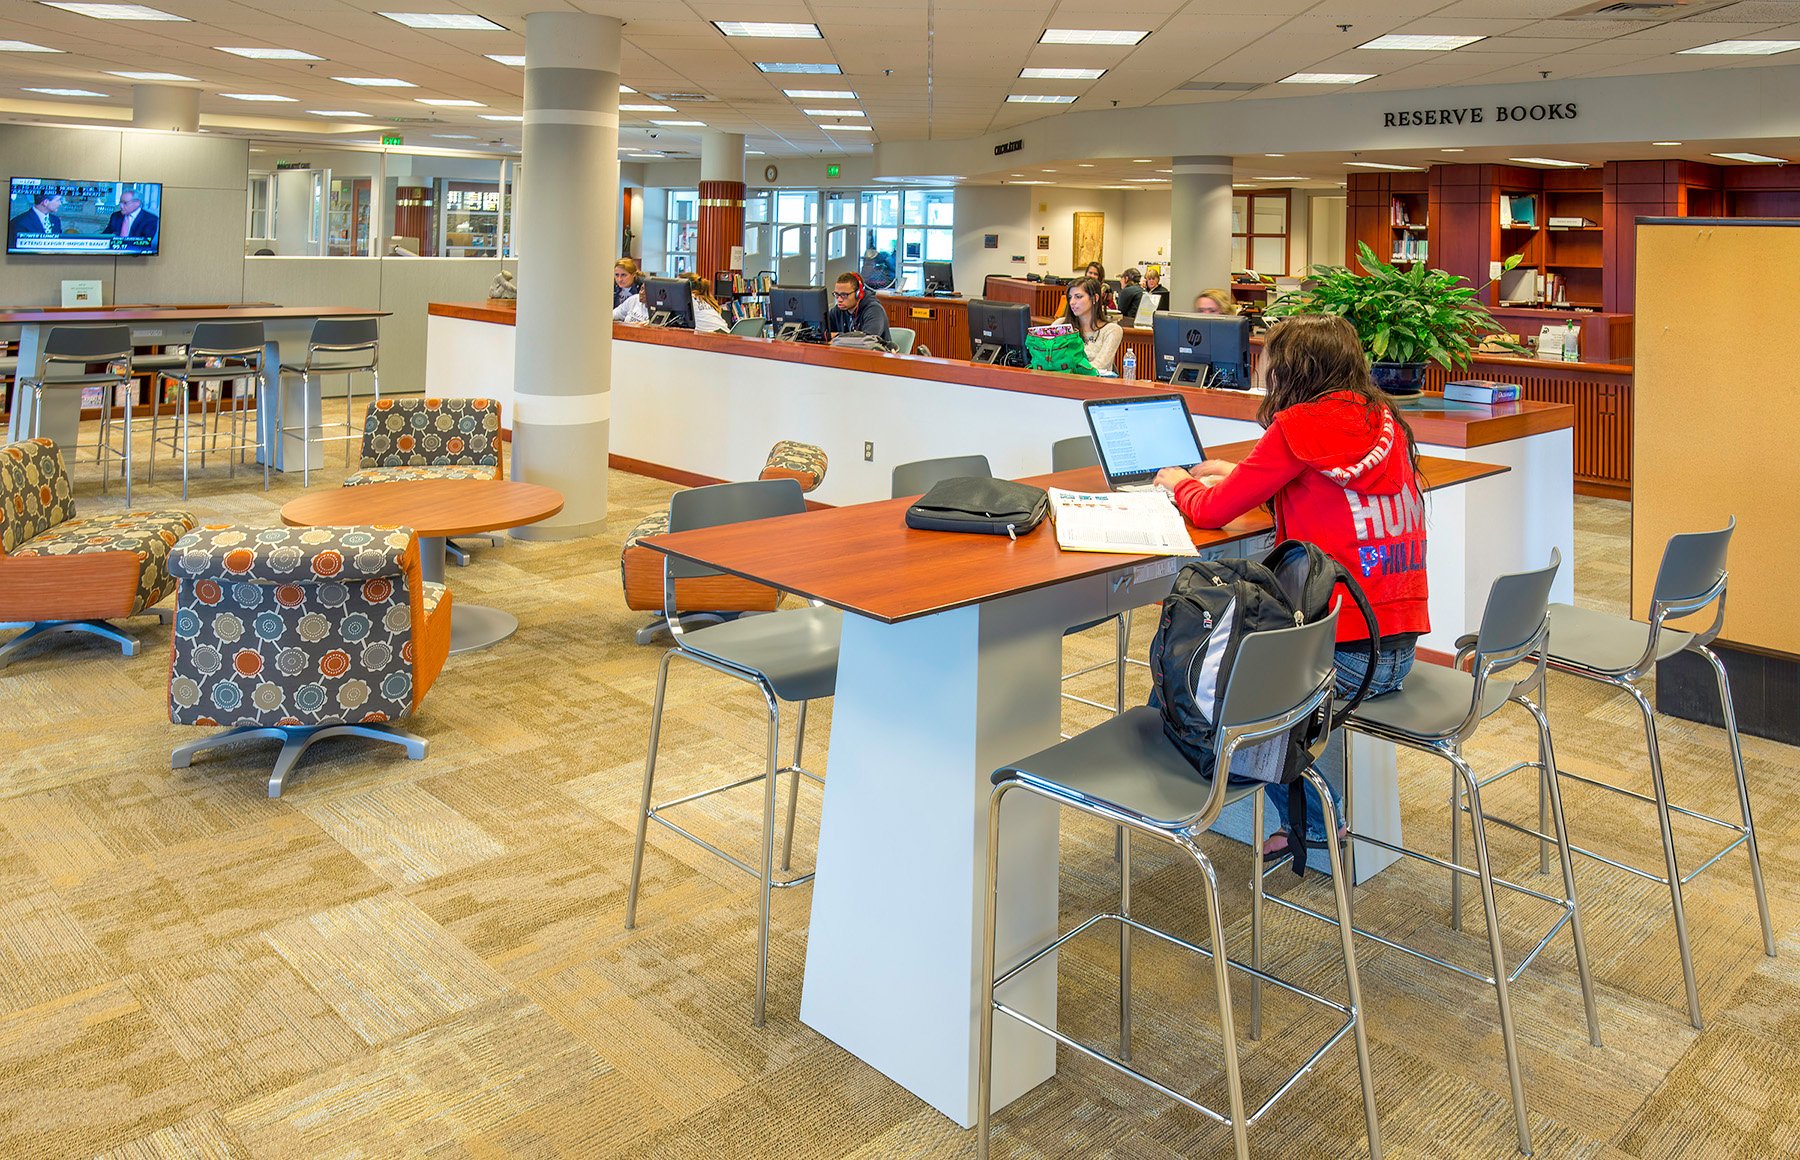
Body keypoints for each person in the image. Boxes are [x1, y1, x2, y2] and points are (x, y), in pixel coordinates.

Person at [1152, 313, 1427, 863]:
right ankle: (1312, 810)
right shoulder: (1386, 421)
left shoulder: (1296, 427)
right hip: (1396, 648)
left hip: (1341, 662)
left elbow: (1212, 510)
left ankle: (1312, 825)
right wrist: (1248, 470)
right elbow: (1317, 488)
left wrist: (1180, 481)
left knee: (1203, 671)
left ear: (1292, 371)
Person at [1059, 277, 1122, 374]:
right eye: (1070, 297)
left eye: (1078, 297)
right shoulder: (1060, 324)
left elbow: (1098, 367)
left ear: (1094, 298)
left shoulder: (1112, 330)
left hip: (1095, 384)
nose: (1072, 302)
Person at [827, 272, 892, 343]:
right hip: (847, 352)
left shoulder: (874, 310)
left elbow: (868, 340)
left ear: (859, 294)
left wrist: (837, 336)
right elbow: (823, 332)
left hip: (875, 353)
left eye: (844, 295)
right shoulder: (839, 310)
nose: (839, 300)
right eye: (836, 294)